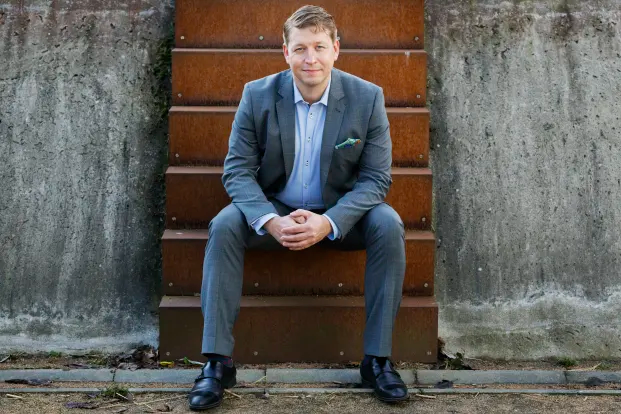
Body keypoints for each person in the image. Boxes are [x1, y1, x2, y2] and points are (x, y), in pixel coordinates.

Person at [188, 5, 408, 411]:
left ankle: (377, 360)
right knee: (224, 224)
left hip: (339, 213)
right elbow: (237, 171)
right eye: (301, 48)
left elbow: (376, 180)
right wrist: (270, 220)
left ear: (336, 49)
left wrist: (329, 221)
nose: (311, 59)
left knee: (388, 223)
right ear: (285, 51)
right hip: (275, 208)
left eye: (320, 47)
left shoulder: (367, 97)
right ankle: (217, 363)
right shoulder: (257, 95)